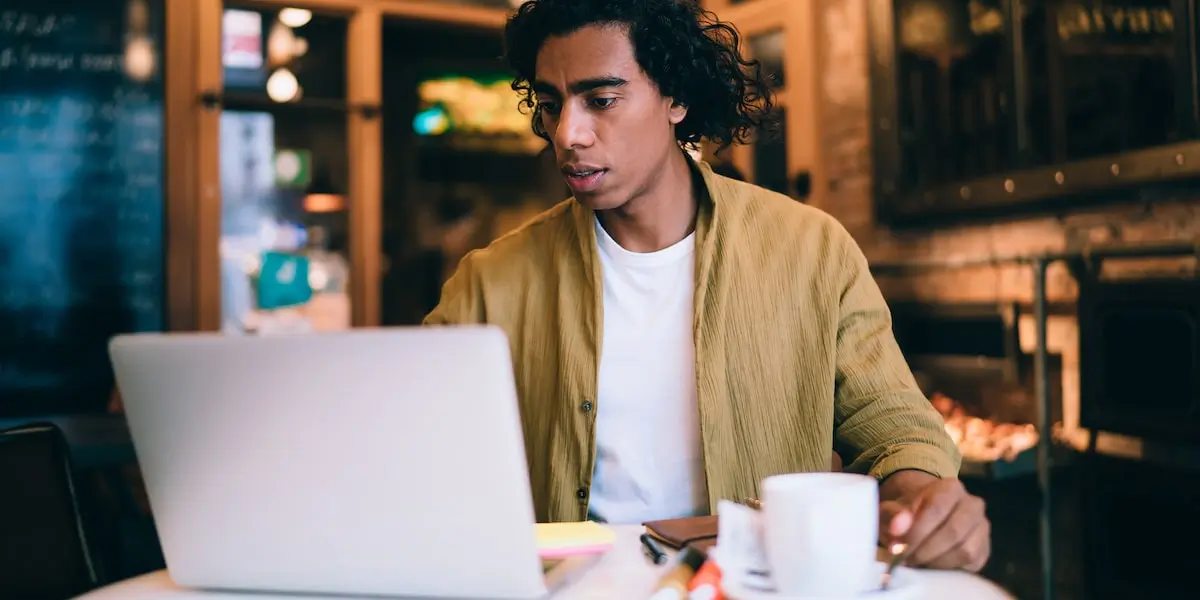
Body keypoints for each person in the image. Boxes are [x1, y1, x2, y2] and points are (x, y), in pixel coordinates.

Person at [424, 0, 990, 573]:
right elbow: (412, 442)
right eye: (551, 105)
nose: (567, 133)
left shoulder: (810, 251)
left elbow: (894, 425)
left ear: (676, 98)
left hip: (757, 584)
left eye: (601, 100)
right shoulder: (491, 281)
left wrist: (924, 500)